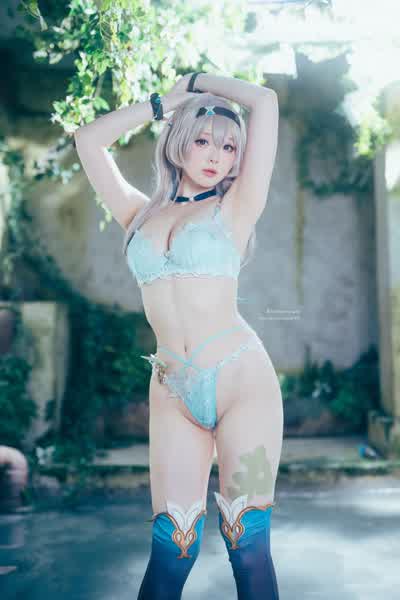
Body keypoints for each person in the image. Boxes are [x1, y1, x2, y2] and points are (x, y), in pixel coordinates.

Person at [74, 71, 283, 599]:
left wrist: (200, 80)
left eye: (229, 147)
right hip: (172, 390)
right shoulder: (138, 214)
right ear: (180, 141)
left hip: (242, 383)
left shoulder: (236, 207)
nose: (217, 156)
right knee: (172, 548)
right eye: (204, 140)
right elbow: (88, 140)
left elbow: (264, 101)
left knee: (247, 543)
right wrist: (165, 102)